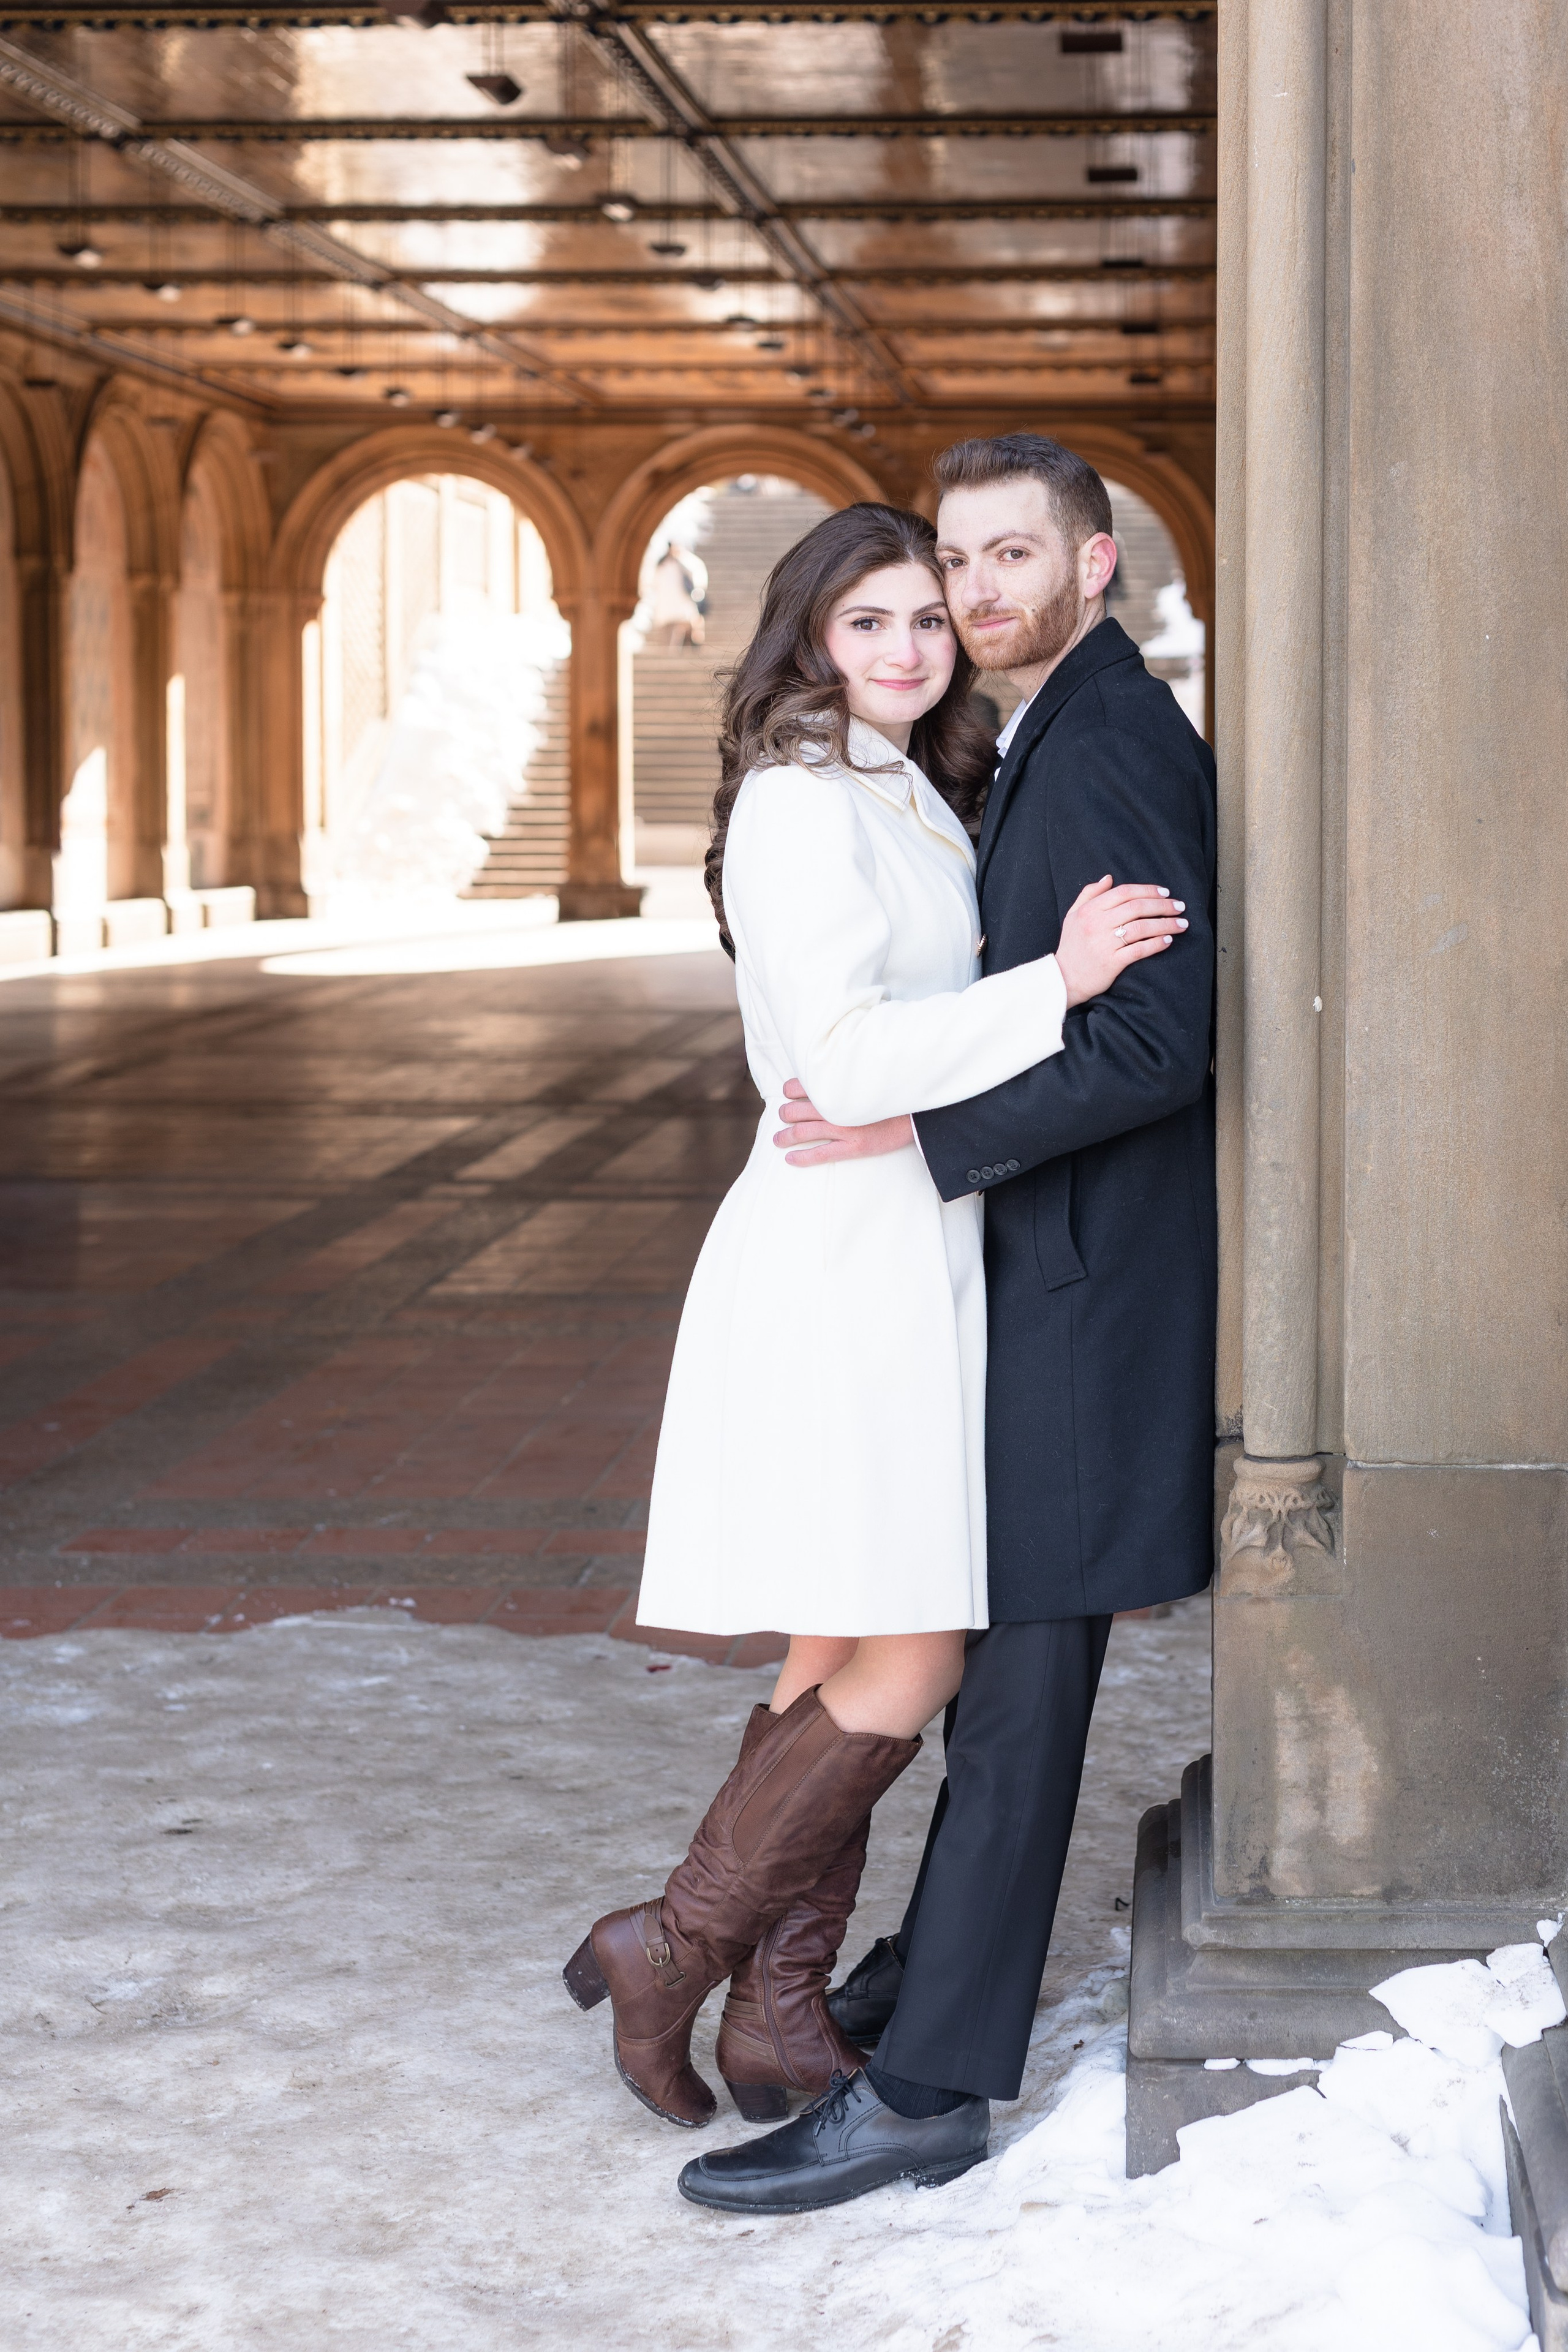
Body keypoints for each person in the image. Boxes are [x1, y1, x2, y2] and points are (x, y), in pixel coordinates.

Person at [562, 499, 1186, 2190]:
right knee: (915, 1654)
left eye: (932, 617)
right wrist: (1052, 982)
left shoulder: (904, 779)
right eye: (876, 625)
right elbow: (840, 1063)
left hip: (912, 1244)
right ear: (808, 640)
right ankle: (672, 1950)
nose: (916, 646)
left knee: (837, 1633)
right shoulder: (792, 800)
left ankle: (772, 2006)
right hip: (853, 1258)